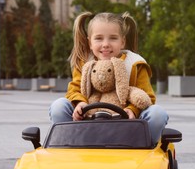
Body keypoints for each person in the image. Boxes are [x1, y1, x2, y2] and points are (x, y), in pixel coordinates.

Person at [49, 11, 168, 144]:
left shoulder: (135, 64)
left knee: (157, 113)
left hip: (127, 126)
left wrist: (132, 110)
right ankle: (68, 143)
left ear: (122, 42)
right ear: (90, 43)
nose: (105, 44)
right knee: (59, 106)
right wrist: (80, 103)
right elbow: (74, 90)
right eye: (99, 38)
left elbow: (147, 96)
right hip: (87, 123)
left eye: (113, 38)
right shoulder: (84, 63)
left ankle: (145, 146)